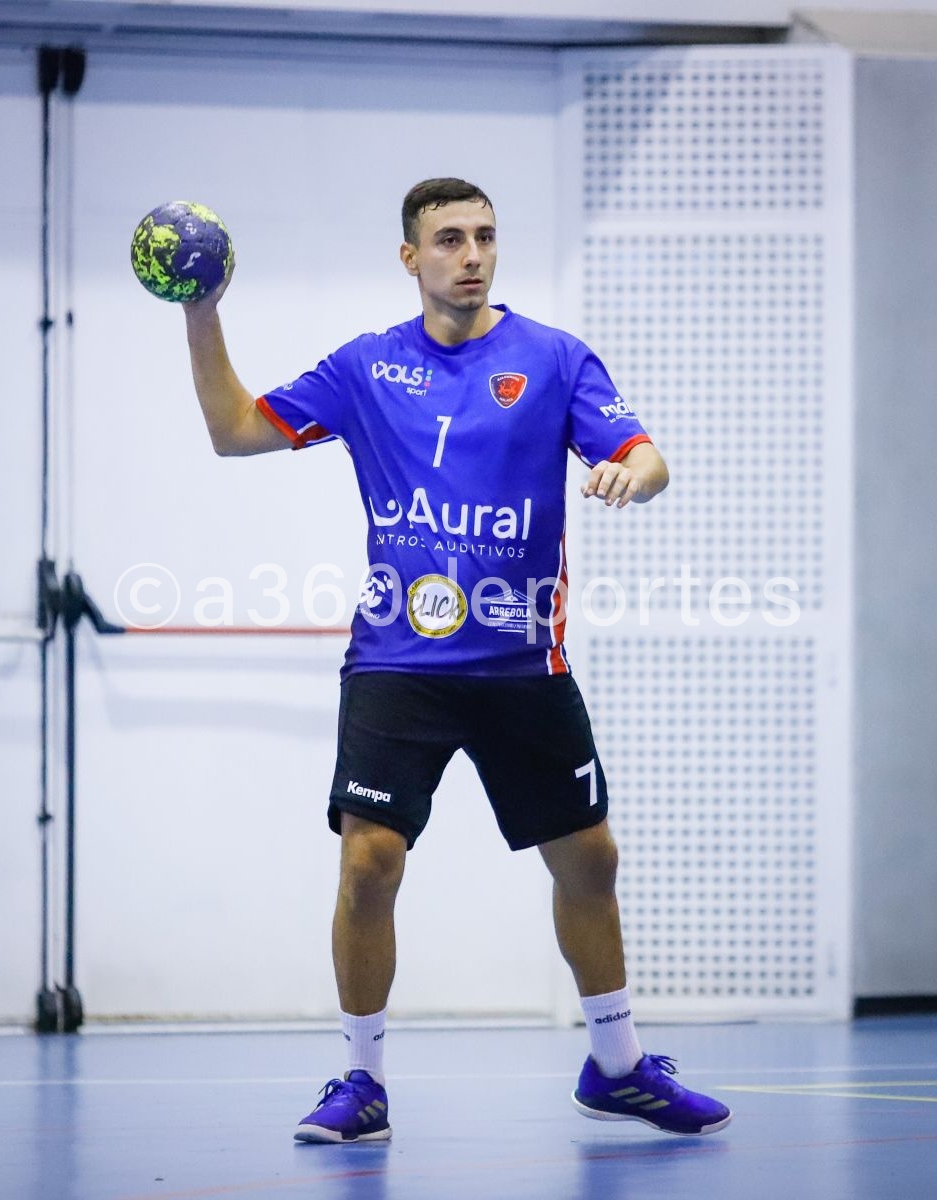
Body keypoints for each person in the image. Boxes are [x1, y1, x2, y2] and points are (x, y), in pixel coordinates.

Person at [182, 177, 732, 1142]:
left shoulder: (553, 360)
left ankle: (617, 1067)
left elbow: (650, 459)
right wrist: (202, 312)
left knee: (591, 859)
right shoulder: (367, 367)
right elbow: (235, 431)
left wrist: (630, 475)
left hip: (523, 660)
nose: (471, 255)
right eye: (448, 239)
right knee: (370, 861)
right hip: (398, 662)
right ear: (411, 257)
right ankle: (361, 1082)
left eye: (483, 236)